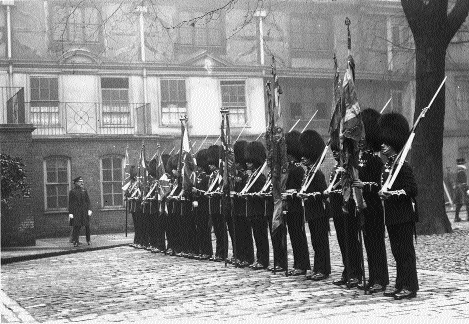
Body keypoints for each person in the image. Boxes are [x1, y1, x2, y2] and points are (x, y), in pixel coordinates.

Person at [378, 112, 419, 300]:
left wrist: (391, 194)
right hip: (393, 215)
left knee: (405, 252)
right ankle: (400, 283)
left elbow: (412, 189)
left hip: (403, 215)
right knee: (396, 252)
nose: (383, 146)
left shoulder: (403, 166)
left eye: (386, 143)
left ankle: (410, 286)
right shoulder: (388, 167)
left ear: (394, 143)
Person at [356, 108, 389, 293]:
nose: (360, 143)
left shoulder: (376, 160)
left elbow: (379, 185)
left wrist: (363, 185)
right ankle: (372, 277)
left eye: (362, 140)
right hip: (364, 207)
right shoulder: (360, 160)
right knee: (369, 244)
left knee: (376, 244)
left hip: (375, 207)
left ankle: (380, 279)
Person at [298, 130, 331, 281]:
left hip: (319, 212)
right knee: (315, 242)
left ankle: (323, 269)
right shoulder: (308, 173)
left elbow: (324, 193)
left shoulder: (317, 174)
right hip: (311, 212)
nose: (302, 158)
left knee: (320, 242)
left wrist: (310, 196)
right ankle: (318, 267)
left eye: (305, 156)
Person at [68, 176, 92, 247]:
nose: (82, 183)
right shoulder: (72, 192)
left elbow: (88, 201)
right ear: (76, 183)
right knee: (76, 227)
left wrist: (89, 209)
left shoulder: (84, 190)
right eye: (80, 182)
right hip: (76, 212)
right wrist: (71, 213)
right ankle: (76, 241)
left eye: (82, 182)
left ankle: (88, 240)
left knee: (87, 226)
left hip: (84, 211)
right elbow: (70, 203)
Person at [454, 158, 469, 222]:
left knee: (459, 204)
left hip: (459, 190)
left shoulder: (459, 172)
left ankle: (456, 217)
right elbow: (463, 183)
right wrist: (467, 189)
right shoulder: (462, 172)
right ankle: (458, 218)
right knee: (466, 203)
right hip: (462, 190)